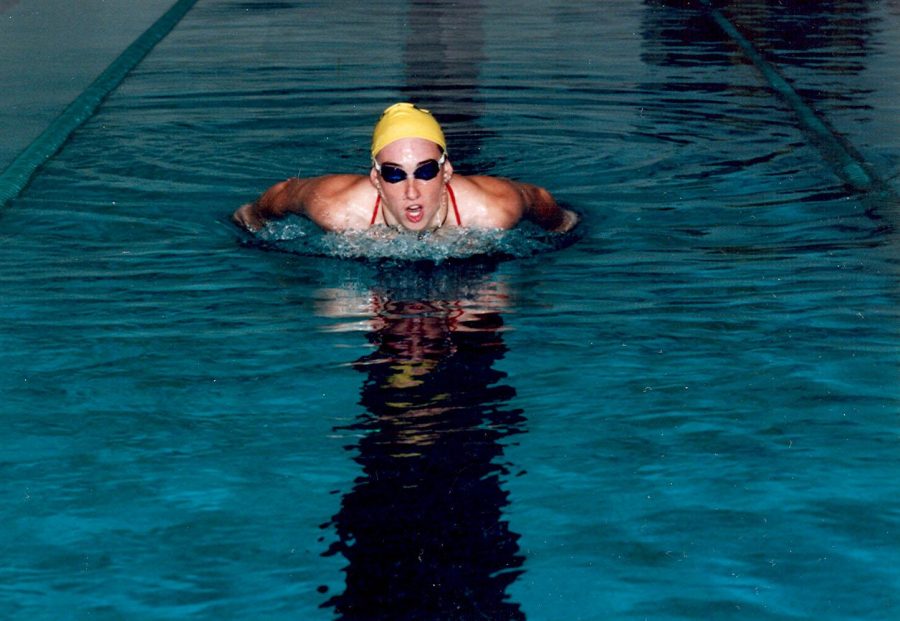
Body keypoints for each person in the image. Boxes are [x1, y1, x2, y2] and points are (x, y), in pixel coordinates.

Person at [232, 103, 578, 234]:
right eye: (394, 174)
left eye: (425, 171)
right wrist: (253, 218)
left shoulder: (492, 208)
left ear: (446, 173)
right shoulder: (335, 206)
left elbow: (539, 199)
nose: (412, 190)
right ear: (376, 180)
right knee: (337, 311)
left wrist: (563, 226)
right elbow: (281, 195)